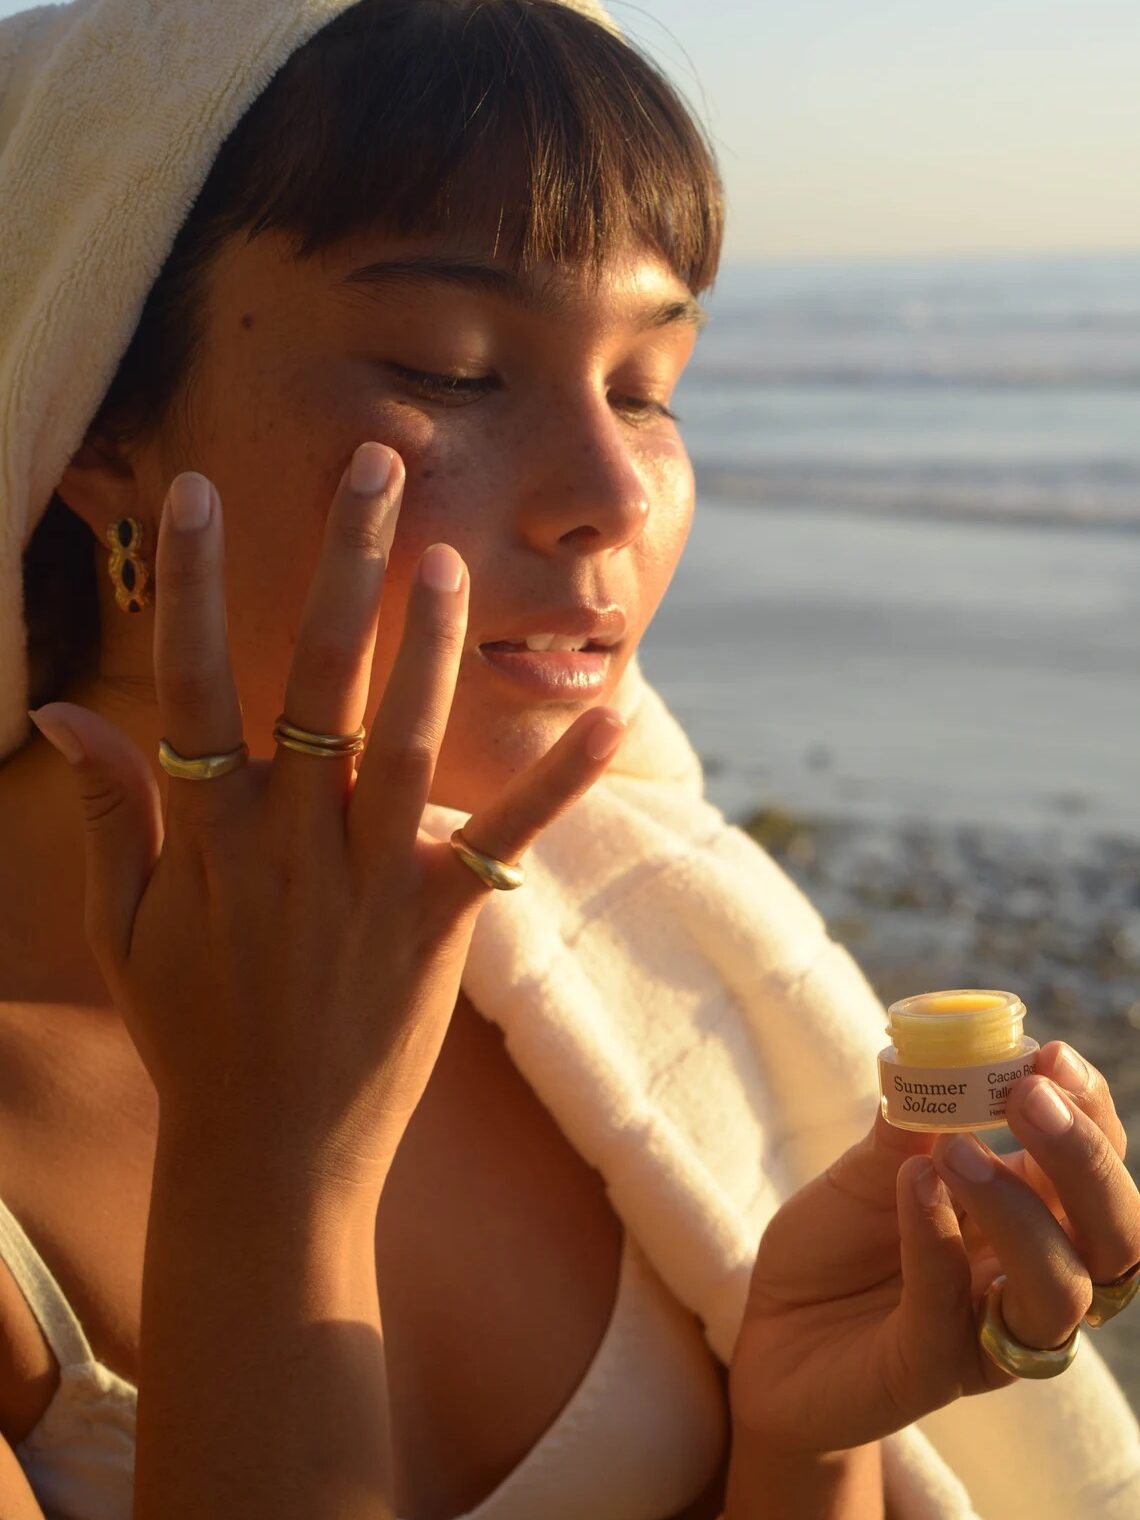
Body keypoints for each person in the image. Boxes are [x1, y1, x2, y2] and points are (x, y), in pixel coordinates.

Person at [1, 1, 1138, 1517]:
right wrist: (275, 1171)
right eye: (451, 369)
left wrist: (801, 1436)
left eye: (646, 388)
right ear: (93, 425)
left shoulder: (625, 922)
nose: (612, 492)